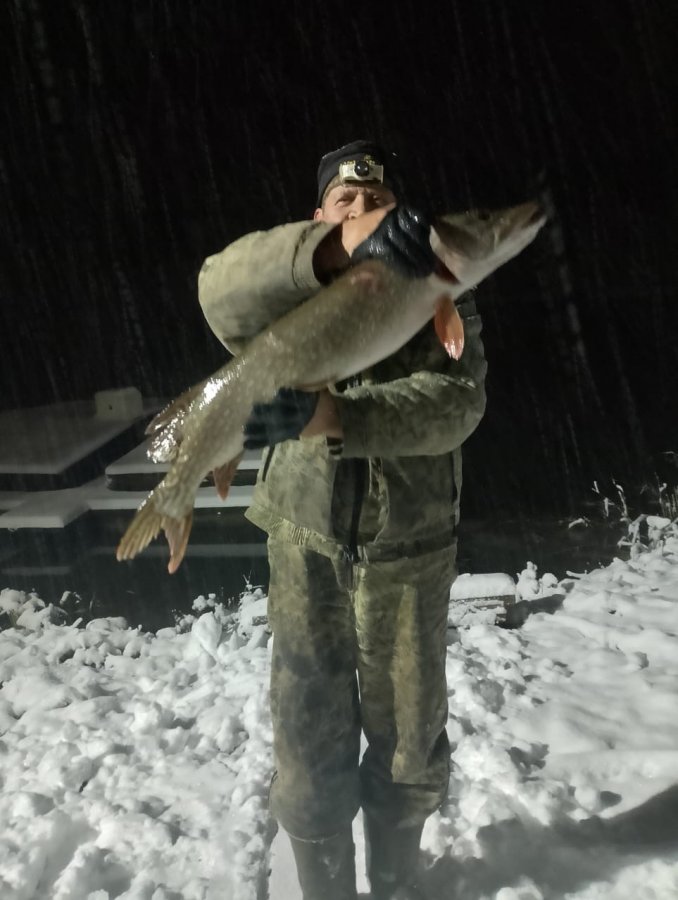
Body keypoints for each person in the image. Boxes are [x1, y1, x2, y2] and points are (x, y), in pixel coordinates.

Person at [198, 140, 487, 900]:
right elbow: (215, 290)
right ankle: (327, 887)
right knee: (307, 733)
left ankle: (395, 881)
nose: (359, 207)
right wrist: (330, 251)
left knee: (407, 741)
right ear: (319, 216)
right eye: (342, 202)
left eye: (375, 199)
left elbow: (458, 403)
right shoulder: (291, 288)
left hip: (410, 549)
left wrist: (339, 416)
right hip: (304, 543)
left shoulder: (435, 286)